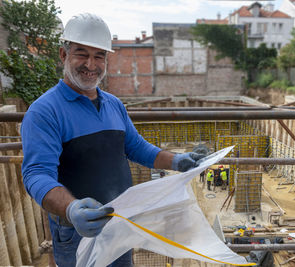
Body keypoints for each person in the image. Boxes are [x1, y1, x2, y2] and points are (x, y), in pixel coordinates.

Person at [21, 13, 205, 267]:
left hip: (118, 223)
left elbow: (136, 147)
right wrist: (72, 209)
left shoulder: (113, 104)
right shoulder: (45, 111)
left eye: (99, 56)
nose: (91, 64)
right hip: (77, 233)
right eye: (81, 54)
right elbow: (36, 174)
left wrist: (177, 161)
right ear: (64, 55)